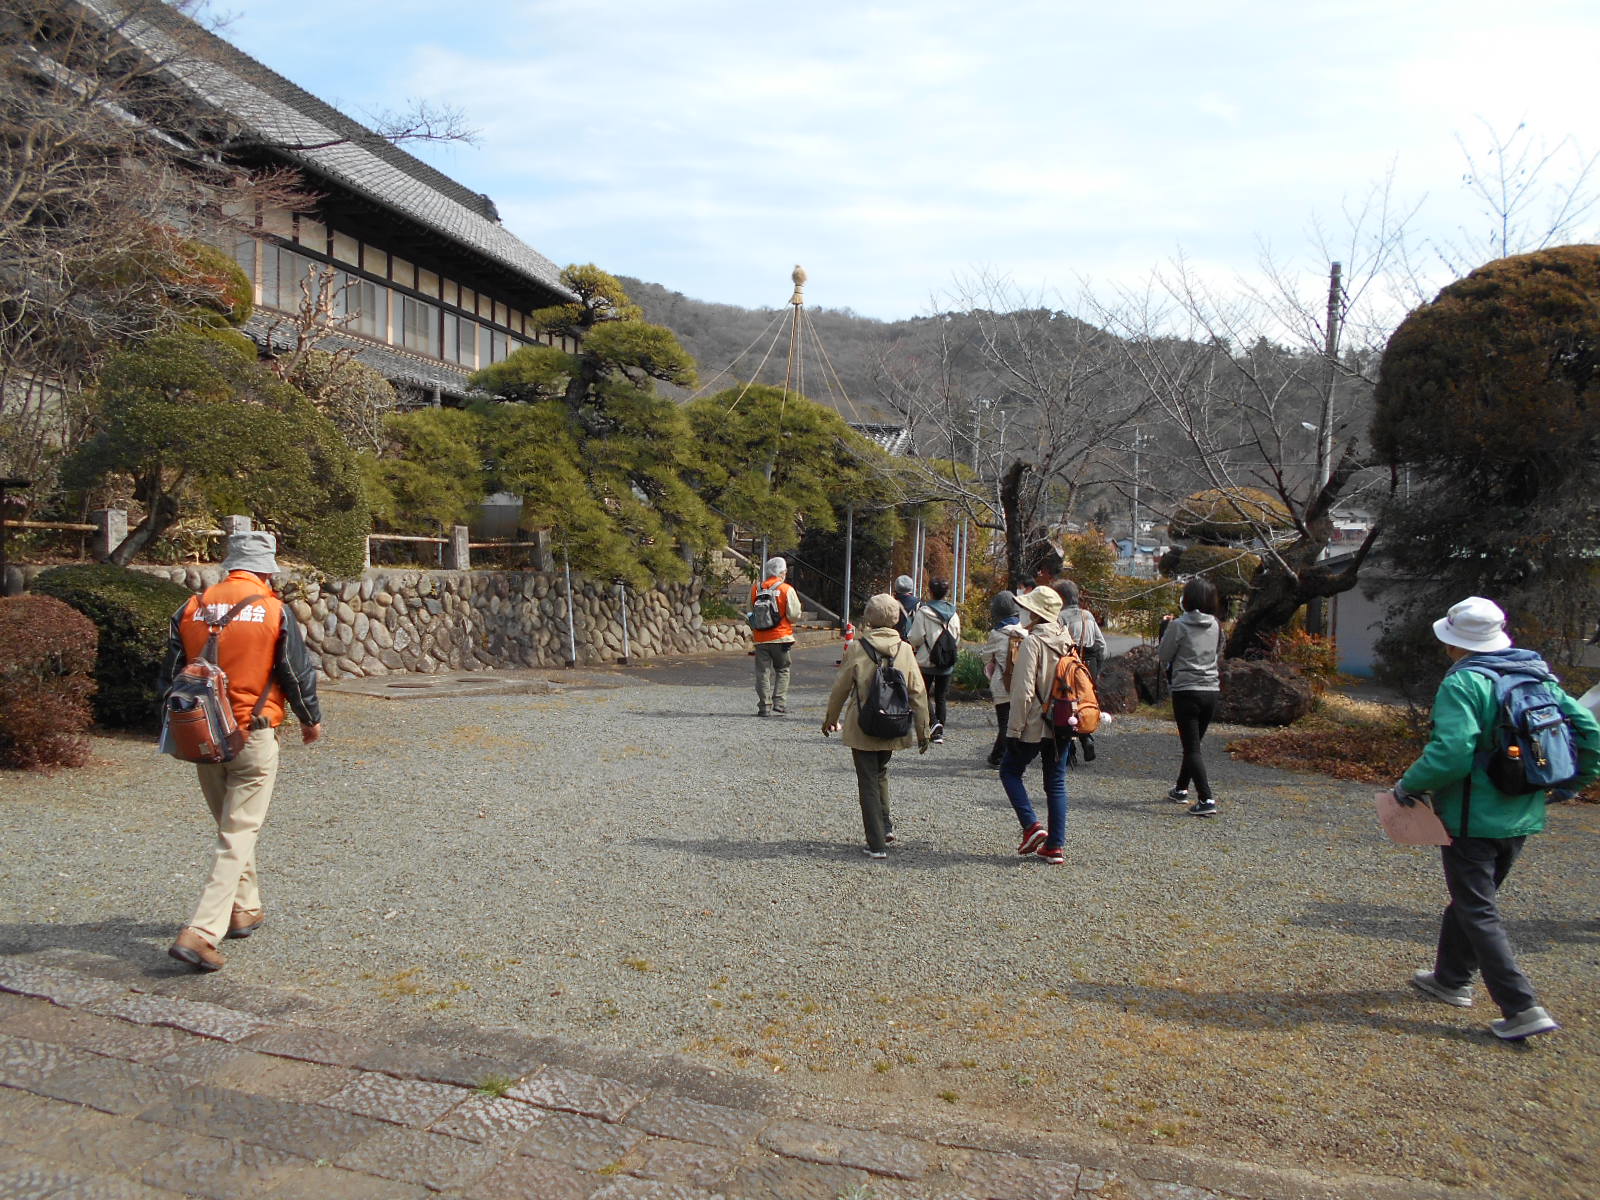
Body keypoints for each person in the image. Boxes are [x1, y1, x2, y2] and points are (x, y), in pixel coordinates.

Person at [1395, 596, 1600, 1041]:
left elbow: (1452, 752)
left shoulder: (1465, 683)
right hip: (1523, 811)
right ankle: (1451, 978)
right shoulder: (1537, 675)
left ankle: (1521, 1006)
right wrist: (1571, 784)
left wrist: (1409, 785)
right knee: (1474, 899)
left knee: (1477, 906)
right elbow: (1590, 731)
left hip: (1473, 816)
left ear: (1453, 643)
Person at [161, 531, 322, 972]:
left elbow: (172, 675)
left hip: (202, 733)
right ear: (267, 568)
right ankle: (201, 931)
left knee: (232, 826)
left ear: (229, 564)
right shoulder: (273, 610)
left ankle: (244, 908)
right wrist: (311, 720)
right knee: (237, 833)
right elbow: (294, 670)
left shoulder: (191, 608)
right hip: (252, 730)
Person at [822, 593, 931, 859]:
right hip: (894, 721)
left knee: (868, 780)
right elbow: (918, 692)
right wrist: (923, 730)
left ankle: (876, 843)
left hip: (863, 724)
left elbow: (840, 688)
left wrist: (830, 718)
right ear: (895, 618)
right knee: (881, 771)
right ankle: (885, 826)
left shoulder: (858, 648)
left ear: (869, 617)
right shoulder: (905, 649)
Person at [1000, 586, 1073, 864]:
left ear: (1036, 612)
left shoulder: (1033, 643)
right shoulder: (1067, 639)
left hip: (1034, 722)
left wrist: (1013, 730)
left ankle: (1031, 825)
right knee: (1055, 781)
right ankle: (1055, 846)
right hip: (1063, 720)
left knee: (1009, 770)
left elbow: (1023, 692)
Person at [1158, 577, 1224, 817]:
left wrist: (1165, 631)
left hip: (1186, 689)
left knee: (1192, 747)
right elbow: (1218, 651)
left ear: (1187, 599)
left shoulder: (1179, 625)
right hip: (1211, 690)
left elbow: (1164, 655)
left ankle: (1206, 799)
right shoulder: (1216, 624)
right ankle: (1181, 788)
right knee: (1193, 745)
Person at [1053, 578, 1107, 765]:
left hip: (1068, 666)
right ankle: (1086, 737)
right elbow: (1102, 646)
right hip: (1088, 665)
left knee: (1066, 705)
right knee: (1085, 703)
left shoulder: (1060, 617)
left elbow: (1057, 646)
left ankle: (1070, 750)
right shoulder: (1088, 616)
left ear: (1060, 597)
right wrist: (1096, 670)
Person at [907, 576, 962, 744]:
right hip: (946, 662)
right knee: (941, 697)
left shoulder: (924, 612)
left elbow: (915, 637)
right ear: (946, 593)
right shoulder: (953, 613)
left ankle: (934, 723)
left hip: (926, 661)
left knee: (922, 694)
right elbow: (956, 637)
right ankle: (939, 731)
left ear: (930, 591)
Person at [750, 556, 803, 717]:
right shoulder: (787, 589)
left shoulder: (756, 588)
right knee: (782, 669)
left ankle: (764, 706)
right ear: (782, 572)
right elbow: (794, 615)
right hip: (781, 637)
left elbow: (749, 612)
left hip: (760, 638)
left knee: (762, 672)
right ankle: (779, 703)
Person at [980, 590, 1026, 767]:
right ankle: (1009, 754)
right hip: (1023, 683)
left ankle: (998, 756)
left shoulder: (997, 634)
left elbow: (985, 656)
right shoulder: (1026, 632)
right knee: (1018, 722)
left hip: (1002, 685)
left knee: (1004, 723)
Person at [892, 574, 918, 639]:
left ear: (896, 587)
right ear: (911, 587)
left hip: (893, 642)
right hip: (912, 643)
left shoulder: (890, 603)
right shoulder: (919, 604)